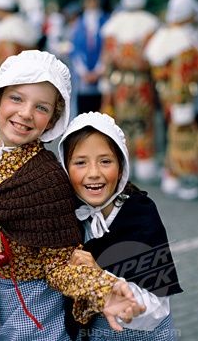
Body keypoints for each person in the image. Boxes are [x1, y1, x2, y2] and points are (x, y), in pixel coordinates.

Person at [0, 50, 145, 341]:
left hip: (35, 306)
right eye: (16, 98)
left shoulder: (45, 179)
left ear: (52, 120)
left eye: (41, 108)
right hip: (1, 294)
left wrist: (102, 292)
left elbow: (62, 262)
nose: (25, 113)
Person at [58, 111, 183, 340]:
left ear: (122, 165)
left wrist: (102, 280)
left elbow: (157, 309)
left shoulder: (140, 214)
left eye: (105, 161)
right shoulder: (69, 217)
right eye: (80, 162)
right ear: (65, 168)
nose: (93, 173)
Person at [99, 0, 160, 183]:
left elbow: (107, 60)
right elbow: (155, 59)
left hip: (119, 84)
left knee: (121, 125)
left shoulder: (113, 27)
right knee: (143, 124)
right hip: (142, 82)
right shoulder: (151, 26)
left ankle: (124, 164)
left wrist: (107, 83)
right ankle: (145, 164)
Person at [145, 0, 198, 200]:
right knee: (184, 138)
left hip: (168, 96)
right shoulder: (186, 39)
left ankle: (172, 174)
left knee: (172, 134)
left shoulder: (164, 36)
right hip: (183, 98)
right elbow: (183, 75)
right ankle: (186, 178)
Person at [69, 0, 109, 115]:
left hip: (102, 76)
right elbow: (75, 50)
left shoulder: (107, 21)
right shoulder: (79, 23)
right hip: (83, 78)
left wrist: (99, 70)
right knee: (84, 112)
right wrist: (84, 72)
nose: (91, 3)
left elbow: (107, 48)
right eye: (89, 0)